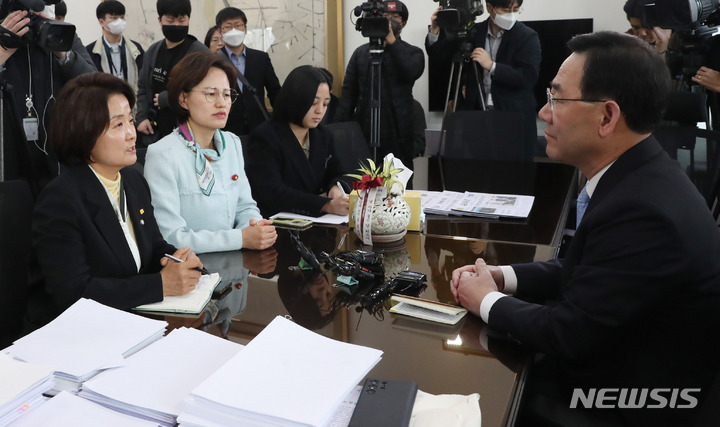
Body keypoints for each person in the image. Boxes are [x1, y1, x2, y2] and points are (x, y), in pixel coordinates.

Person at [450, 32, 720, 425]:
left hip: (624, 401)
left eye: (557, 99)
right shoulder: (640, 177)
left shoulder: (645, 211)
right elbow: (589, 268)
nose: (544, 113)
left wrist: (486, 301)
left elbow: (570, 334)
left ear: (607, 117)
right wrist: (501, 277)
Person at [31, 72, 203, 323]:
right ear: (84, 133)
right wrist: (160, 285)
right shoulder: (61, 200)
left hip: (129, 322)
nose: (132, 133)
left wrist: (178, 260)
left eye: (131, 121)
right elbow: (72, 295)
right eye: (118, 125)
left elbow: (153, 246)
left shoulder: (132, 181)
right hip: (75, 335)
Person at [144, 52, 276, 254]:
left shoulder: (232, 143)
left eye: (227, 94)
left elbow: (246, 206)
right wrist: (240, 238)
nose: (222, 103)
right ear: (183, 98)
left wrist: (256, 228)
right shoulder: (163, 154)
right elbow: (171, 237)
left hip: (236, 265)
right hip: (194, 274)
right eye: (211, 94)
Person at [426, 0, 540, 161]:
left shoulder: (527, 36)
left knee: (513, 176)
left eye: (516, 9)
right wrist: (435, 29)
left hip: (514, 119)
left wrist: (493, 66)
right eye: (506, 9)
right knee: (477, 174)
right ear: (489, 8)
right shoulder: (473, 32)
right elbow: (439, 56)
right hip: (477, 117)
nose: (511, 14)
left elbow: (528, 76)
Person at [0, 7, 96, 193]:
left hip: (58, 147)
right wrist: (3, 48)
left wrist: (63, 53)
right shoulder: (3, 35)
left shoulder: (61, 34)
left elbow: (96, 86)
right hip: (9, 148)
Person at [245, 65, 349, 218]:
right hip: (278, 223)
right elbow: (272, 192)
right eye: (314, 103)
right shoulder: (265, 137)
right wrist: (325, 205)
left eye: (326, 104)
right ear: (295, 100)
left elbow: (339, 172)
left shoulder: (323, 135)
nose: (320, 110)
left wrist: (335, 186)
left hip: (317, 223)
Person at [336, 1, 424, 167]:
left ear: (403, 23)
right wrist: (339, 134)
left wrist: (392, 42)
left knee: (398, 186)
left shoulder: (413, 52)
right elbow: (348, 96)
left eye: (394, 17)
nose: (388, 21)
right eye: (384, 17)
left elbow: (411, 72)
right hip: (364, 130)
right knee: (364, 182)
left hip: (398, 133)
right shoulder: (361, 53)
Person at [135, 0, 207, 146]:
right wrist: (141, 117)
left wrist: (171, 98)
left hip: (190, 135)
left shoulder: (200, 54)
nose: (176, 25)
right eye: (170, 20)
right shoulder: (153, 51)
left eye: (182, 20)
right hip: (155, 134)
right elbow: (143, 88)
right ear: (160, 20)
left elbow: (207, 91)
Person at [215, 7, 281, 136]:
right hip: (226, 129)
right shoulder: (213, 60)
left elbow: (275, 91)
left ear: (245, 29)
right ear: (220, 31)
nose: (234, 30)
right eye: (228, 27)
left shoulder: (261, 58)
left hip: (259, 128)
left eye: (238, 25)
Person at [86, 1, 145, 95]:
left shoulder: (136, 49)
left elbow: (143, 81)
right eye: (114, 18)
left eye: (122, 17)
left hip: (132, 104)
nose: (119, 22)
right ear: (101, 22)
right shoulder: (90, 52)